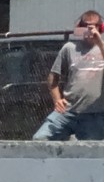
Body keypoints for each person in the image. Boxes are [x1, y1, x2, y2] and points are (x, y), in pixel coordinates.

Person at [32, 10, 104, 140]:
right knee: (40, 139)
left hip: (95, 114)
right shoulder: (69, 48)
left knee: (91, 152)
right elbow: (53, 77)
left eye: (94, 26)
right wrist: (57, 100)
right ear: (80, 27)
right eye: (86, 26)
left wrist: (99, 42)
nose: (90, 30)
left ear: (101, 27)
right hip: (67, 111)